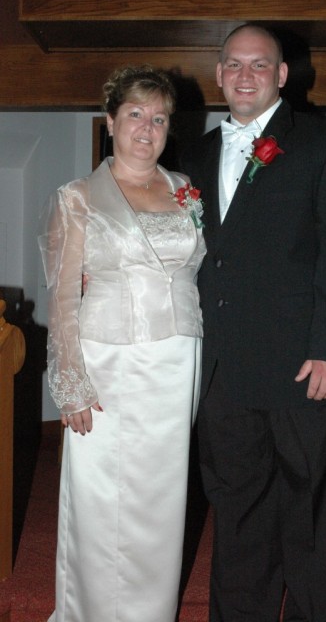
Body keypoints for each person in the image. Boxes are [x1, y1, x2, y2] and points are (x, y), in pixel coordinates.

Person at [180, 25, 326, 622]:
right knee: (237, 512)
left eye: (259, 64)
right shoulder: (192, 157)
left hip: (304, 367)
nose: (245, 75)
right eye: (234, 64)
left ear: (282, 75)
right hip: (222, 370)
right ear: (218, 74)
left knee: (310, 513)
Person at [38, 65, 206, 622]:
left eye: (159, 118)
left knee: (160, 499)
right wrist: (71, 384)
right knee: (101, 497)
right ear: (110, 121)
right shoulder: (78, 197)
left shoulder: (184, 188)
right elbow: (63, 299)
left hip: (176, 360)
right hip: (107, 363)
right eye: (135, 114)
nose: (146, 128)